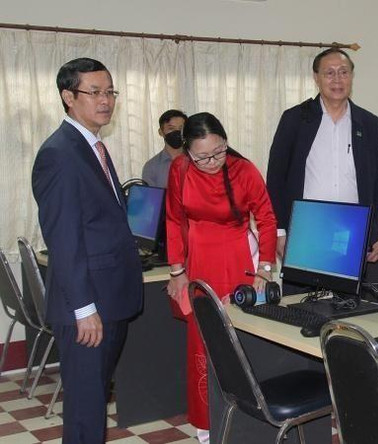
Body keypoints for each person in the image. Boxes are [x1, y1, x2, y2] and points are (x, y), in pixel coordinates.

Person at [31, 58, 144, 444]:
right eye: (94, 92)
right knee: (85, 412)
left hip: (106, 297)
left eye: (109, 91)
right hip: (87, 307)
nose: (105, 100)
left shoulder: (90, 145)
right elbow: (63, 239)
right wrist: (84, 309)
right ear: (68, 96)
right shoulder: (61, 154)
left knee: (94, 404)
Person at [165, 112, 277, 442]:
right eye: (202, 157)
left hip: (238, 255)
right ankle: (206, 426)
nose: (213, 162)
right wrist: (177, 271)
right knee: (203, 343)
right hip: (198, 259)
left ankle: (249, 421)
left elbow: (267, 219)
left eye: (219, 151)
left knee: (237, 339)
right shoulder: (180, 170)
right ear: (187, 152)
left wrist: (265, 269)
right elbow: (173, 220)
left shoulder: (243, 170)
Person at [266, 47, 378, 294]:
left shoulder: (368, 122)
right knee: (300, 310)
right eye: (329, 73)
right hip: (305, 232)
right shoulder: (295, 119)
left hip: (352, 232)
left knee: (347, 312)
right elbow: (275, 179)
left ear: (352, 76)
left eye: (343, 72)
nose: (337, 79)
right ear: (316, 77)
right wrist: (279, 231)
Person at [142, 109, 188, 187]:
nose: (177, 132)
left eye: (181, 128)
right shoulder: (151, 166)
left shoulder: (197, 161)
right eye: (171, 128)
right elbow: (151, 197)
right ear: (161, 132)